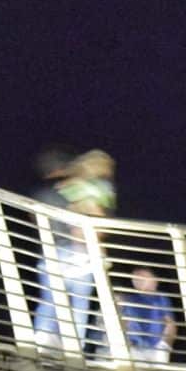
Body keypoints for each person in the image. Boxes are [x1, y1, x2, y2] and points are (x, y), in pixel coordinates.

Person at [32, 150, 117, 350]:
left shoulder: (83, 186)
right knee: (75, 302)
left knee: (57, 299)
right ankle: (69, 345)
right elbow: (96, 219)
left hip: (75, 250)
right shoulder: (94, 187)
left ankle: (46, 340)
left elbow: (94, 218)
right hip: (76, 250)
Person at [118, 265, 177, 364]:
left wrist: (164, 346)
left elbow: (170, 324)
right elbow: (123, 322)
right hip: (134, 348)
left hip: (156, 349)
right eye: (135, 278)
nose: (138, 280)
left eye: (142, 276)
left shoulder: (161, 299)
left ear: (155, 280)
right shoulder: (129, 299)